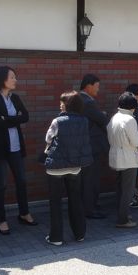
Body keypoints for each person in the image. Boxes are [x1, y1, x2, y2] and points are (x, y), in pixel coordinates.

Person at [0, 66, 37, 234]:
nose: (15, 80)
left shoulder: (15, 98)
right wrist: (14, 119)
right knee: (1, 185)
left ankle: (24, 213)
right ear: (2, 79)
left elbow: (26, 116)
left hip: (15, 147)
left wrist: (5, 119)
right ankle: (1, 220)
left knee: (21, 181)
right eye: (12, 77)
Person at [43, 91, 93, 246]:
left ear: (66, 105)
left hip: (56, 168)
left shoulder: (58, 121)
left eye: (62, 102)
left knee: (55, 203)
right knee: (75, 200)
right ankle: (79, 234)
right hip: (75, 166)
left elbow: (48, 138)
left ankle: (56, 237)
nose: (60, 104)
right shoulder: (84, 121)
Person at [107, 92, 138, 229]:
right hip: (128, 158)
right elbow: (136, 141)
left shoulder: (114, 117)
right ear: (132, 106)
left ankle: (123, 214)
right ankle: (123, 219)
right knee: (127, 190)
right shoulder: (129, 119)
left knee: (120, 188)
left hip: (116, 156)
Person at [79, 74, 109, 219]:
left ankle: (90, 206)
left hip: (85, 147)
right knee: (91, 179)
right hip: (92, 147)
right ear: (89, 86)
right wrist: (102, 114)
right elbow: (102, 120)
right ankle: (89, 209)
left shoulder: (79, 99)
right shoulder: (88, 102)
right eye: (97, 86)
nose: (98, 90)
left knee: (88, 179)